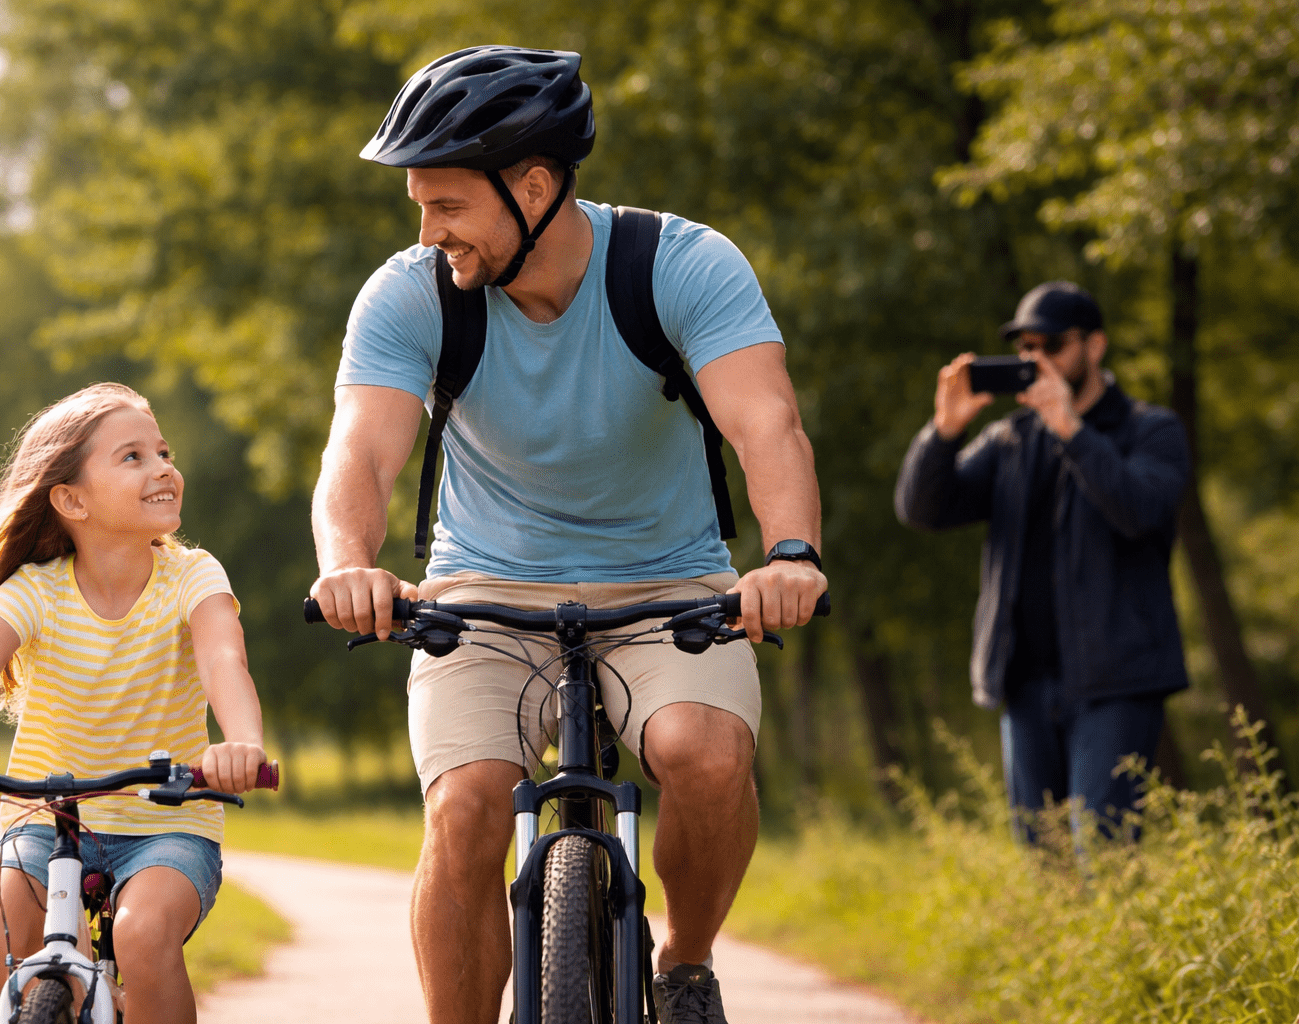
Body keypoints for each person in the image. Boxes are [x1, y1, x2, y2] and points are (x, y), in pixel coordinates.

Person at [307, 45, 826, 1024]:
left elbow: (767, 424)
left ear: (534, 186)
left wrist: (790, 554)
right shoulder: (411, 292)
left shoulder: (680, 266)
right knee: (465, 808)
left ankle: (687, 962)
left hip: (669, 589)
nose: (427, 231)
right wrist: (349, 566)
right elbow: (360, 455)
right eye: (420, 204)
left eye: (447, 204)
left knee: (707, 754)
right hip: (482, 596)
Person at [0, 383, 268, 1024]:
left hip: (167, 824)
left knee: (141, 936)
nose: (163, 467)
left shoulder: (195, 576)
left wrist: (242, 745)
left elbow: (225, 664)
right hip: (44, 821)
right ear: (71, 499)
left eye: (162, 451)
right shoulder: (36, 592)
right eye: (132, 457)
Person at [895, 281, 1190, 844]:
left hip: (1116, 684)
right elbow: (923, 509)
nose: (1037, 360)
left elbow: (1140, 510)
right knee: (1043, 855)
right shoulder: (1011, 438)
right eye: (1027, 347)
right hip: (1025, 683)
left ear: (1094, 346)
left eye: (1052, 345)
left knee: (1101, 853)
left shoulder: (1151, 430)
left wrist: (1071, 431)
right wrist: (945, 431)